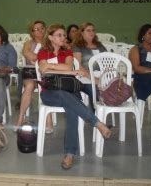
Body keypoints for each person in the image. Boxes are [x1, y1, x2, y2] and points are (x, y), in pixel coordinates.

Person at [38, 24, 111, 169]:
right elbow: (44, 70)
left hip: (69, 91)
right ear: (51, 37)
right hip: (49, 93)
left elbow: (65, 67)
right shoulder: (43, 52)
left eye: (64, 35)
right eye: (59, 35)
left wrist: (54, 68)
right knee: (67, 98)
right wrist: (67, 71)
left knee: (71, 108)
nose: (63, 37)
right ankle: (97, 123)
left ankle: (70, 154)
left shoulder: (68, 52)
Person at [15, 21, 53, 132]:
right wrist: (41, 59)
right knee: (29, 86)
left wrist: (37, 60)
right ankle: (20, 118)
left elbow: (51, 58)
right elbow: (27, 54)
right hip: (30, 71)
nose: (40, 30)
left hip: (45, 71)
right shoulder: (28, 43)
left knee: (46, 87)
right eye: (36, 29)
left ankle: (49, 121)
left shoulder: (49, 43)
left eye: (42, 28)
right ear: (32, 32)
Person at [72, 22, 107, 107]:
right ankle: (96, 116)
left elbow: (107, 61)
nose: (91, 32)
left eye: (93, 30)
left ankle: (104, 112)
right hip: (84, 77)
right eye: (88, 30)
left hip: (101, 76)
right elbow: (78, 66)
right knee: (95, 90)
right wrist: (93, 78)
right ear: (82, 33)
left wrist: (103, 77)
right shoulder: (77, 46)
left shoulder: (100, 46)